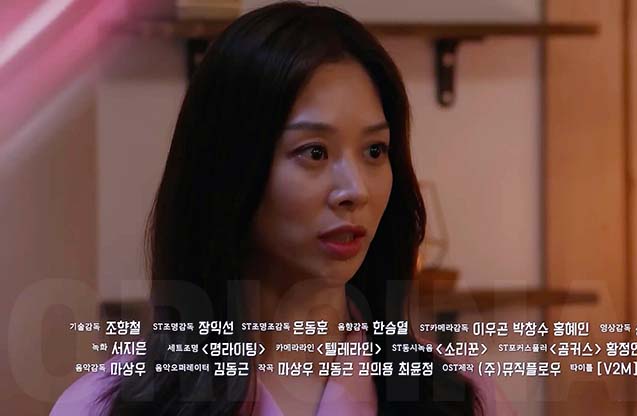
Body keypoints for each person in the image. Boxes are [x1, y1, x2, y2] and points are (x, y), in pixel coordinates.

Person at [51, 2, 515, 415]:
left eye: (375, 151)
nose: (355, 190)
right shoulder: (103, 407)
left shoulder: (461, 399)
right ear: (229, 169)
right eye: (314, 152)